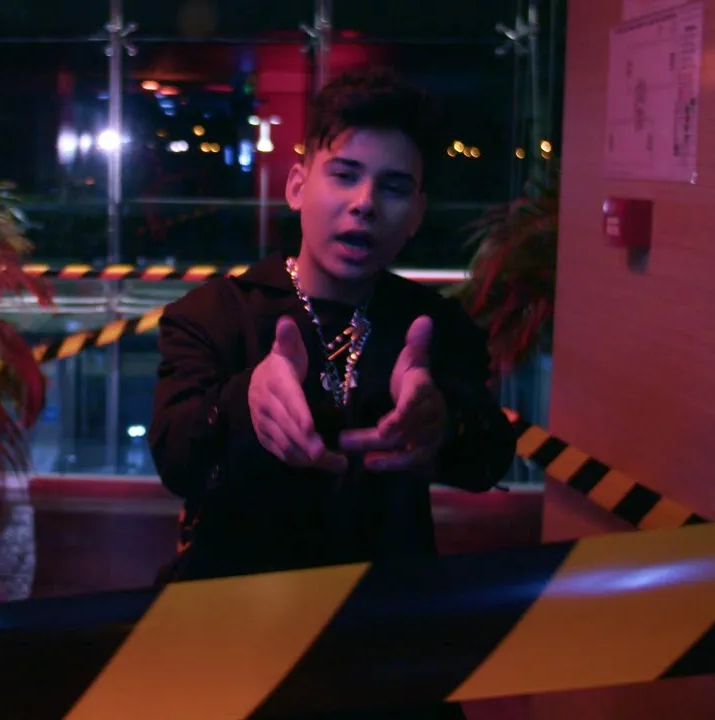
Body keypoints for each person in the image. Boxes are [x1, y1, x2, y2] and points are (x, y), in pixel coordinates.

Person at [150, 68, 514, 717]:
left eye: (393, 187)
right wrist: (244, 401)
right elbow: (177, 458)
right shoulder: (213, 315)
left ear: (416, 215)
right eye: (344, 175)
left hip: (388, 651)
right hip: (232, 644)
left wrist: (439, 420)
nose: (365, 203)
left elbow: (487, 458)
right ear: (297, 185)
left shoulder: (434, 327)